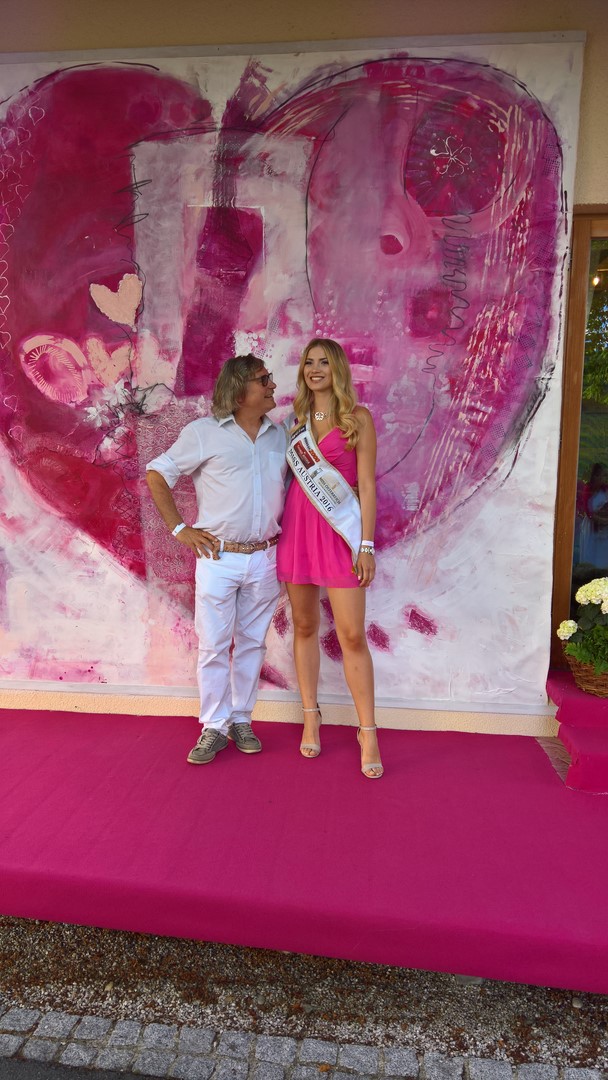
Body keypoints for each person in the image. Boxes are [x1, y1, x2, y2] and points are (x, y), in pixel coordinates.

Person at [146, 355, 287, 765]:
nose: (272, 385)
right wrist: (180, 529)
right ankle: (214, 725)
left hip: (265, 557)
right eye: (263, 379)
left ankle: (241, 719)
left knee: (252, 644)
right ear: (239, 391)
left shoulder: (279, 436)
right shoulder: (203, 433)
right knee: (213, 646)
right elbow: (157, 473)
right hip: (218, 556)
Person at [276, 338, 383, 779]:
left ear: (337, 368)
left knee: (352, 634)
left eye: (323, 362)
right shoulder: (293, 422)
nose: (315, 369)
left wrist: (366, 545)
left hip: (341, 535)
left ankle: (368, 731)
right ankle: (310, 716)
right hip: (298, 531)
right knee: (304, 626)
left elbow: (368, 486)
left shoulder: (358, 419)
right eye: (309, 362)